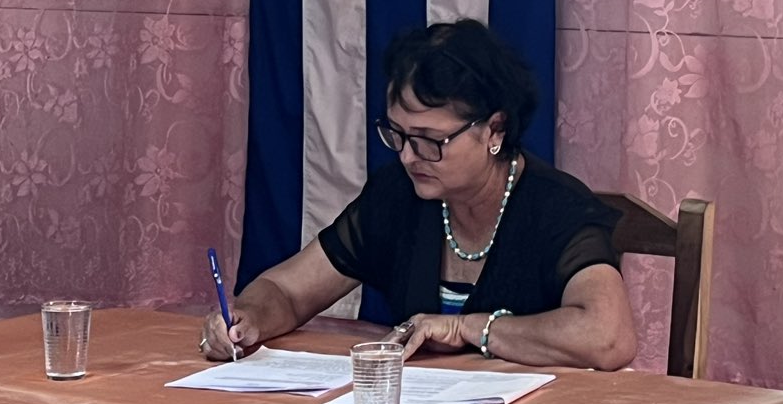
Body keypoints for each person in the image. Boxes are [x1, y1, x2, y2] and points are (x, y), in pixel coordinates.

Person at [202, 19, 636, 371]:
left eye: (430, 140)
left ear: (495, 130)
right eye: (398, 134)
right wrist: (248, 319)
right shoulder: (399, 195)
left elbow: (608, 337)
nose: (408, 156)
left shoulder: (556, 208)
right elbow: (287, 290)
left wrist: (469, 329)